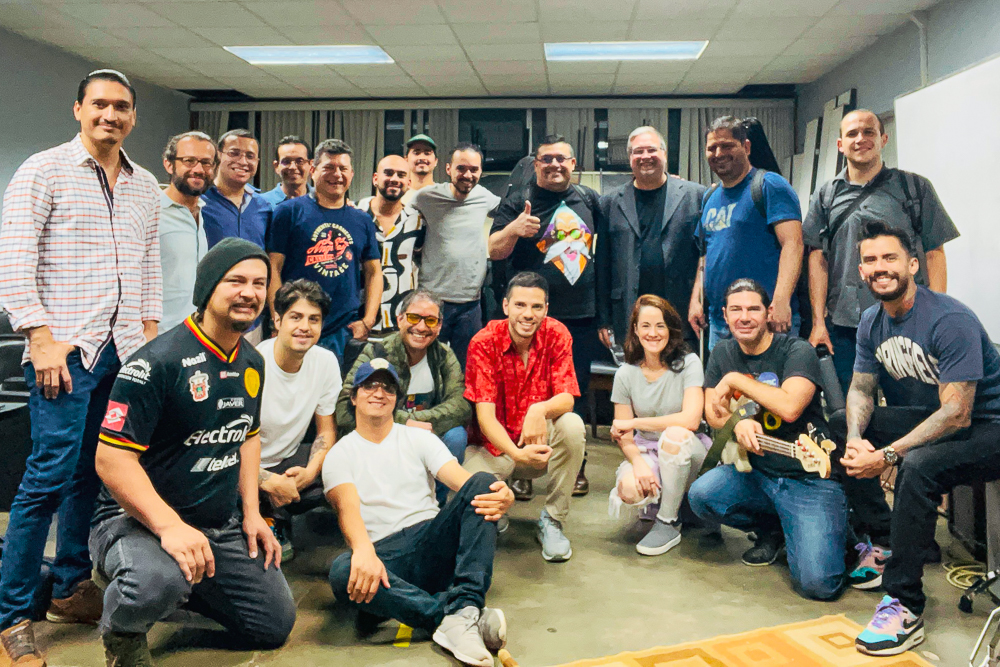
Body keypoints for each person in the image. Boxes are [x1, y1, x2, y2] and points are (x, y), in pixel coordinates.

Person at [0, 69, 162, 666]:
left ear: (133, 117)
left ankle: (69, 585)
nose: (109, 115)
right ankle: (11, 618)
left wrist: (148, 335)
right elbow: (13, 261)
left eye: (121, 106)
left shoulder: (145, 184)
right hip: (64, 354)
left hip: (122, 352)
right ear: (77, 110)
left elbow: (147, 268)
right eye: (99, 104)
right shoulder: (42, 171)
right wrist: (39, 337)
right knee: (45, 479)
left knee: (93, 475)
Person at [90, 238, 296, 664]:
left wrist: (253, 513)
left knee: (274, 625)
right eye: (235, 280)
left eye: (259, 283)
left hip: (217, 524)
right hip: (138, 520)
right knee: (152, 584)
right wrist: (169, 528)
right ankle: (123, 625)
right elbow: (111, 460)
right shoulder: (155, 363)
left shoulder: (252, 362)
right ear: (207, 290)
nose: (250, 292)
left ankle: (184, 580)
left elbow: (248, 436)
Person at [839, 221, 1000, 656]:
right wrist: (856, 437)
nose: (879, 268)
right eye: (870, 261)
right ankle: (885, 542)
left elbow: (958, 413)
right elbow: (861, 389)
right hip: (938, 418)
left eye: (889, 258)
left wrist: (889, 453)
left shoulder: (949, 319)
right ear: (861, 271)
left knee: (918, 464)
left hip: (990, 426)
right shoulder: (872, 321)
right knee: (840, 424)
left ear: (913, 265)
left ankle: (904, 604)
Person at [325, 359, 513, 667]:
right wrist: (363, 550)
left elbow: (461, 481)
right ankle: (457, 617)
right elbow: (348, 510)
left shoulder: (418, 438)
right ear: (354, 396)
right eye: (369, 385)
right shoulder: (340, 454)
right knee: (342, 571)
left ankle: (464, 607)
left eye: (388, 387)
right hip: (384, 558)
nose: (379, 392)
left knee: (485, 482)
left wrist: (499, 493)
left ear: (397, 399)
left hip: (430, 540)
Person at [687, 278, 847, 601]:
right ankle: (773, 529)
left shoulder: (797, 351)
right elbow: (713, 413)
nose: (744, 317)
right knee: (702, 496)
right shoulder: (721, 352)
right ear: (725, 314)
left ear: (769, 312)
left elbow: (789, 407)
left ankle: (839, 526)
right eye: (736, 310)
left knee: (819, 585)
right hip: (757, 474)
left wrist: (736, 380)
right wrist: (737, 425)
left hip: (808, 477)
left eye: (753, 309)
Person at [804, 109, 959, 394]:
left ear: (883, 139)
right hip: (844, 325)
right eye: (852, 133)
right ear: (840, 144)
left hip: (908, 321)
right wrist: (818, 322)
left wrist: (936, 314)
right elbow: (818, 259)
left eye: (869, 132)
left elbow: (935, 252)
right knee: (851, 411)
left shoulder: (913, 188)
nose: (860, 139)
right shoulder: (825, 196)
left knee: (913, 411)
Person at [489, 135, 607, 496]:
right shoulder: (517, 200)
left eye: (562, 159)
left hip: (579, 314)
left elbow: (611, 246)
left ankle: (577, 465)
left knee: (576, 391)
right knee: (522, 392)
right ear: (536, 163)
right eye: (547, 159)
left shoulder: (588, 199)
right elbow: (493, 250)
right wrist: (513, 229)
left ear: (573, 163)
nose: (555, 165)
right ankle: (524, 466)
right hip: (528, 317)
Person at [463, 272, 586, 562]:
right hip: (495, 448)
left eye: (536, 307)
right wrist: (517, 455)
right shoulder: (484, 342)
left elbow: (567, 397)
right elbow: (485, 418)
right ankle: (498, 511)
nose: (528, 314)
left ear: (546, 308)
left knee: (572, 425)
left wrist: (539, 409)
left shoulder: (557, 334)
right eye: (520, 305)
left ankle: (553, 520)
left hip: (538, 444)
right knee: (468, 493)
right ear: (505, 306)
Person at [337, 289, 471, 506]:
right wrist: (405, 423)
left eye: (430, 320)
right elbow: (344, 409)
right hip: (381, 435)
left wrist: (419, 424)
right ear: (399, 319)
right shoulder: (376, 352)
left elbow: (460, 406)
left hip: (426, 436)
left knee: (456, 437)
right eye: (413, 318)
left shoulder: (444, 356)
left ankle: (437, 504)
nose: (421, 327)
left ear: (439, 326)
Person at [689, 116, 804, 350]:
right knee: (727, 387)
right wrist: (696, 298)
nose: (719, 153)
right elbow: (705, 254)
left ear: (747, 147)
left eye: (727, 145)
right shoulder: (709, 198)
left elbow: (793, 244)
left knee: (770, 386)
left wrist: (780, 302)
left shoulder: (770, 186)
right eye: (712, 148)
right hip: (721, 323)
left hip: (766, 321)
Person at [267, 139, 382, 363]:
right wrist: (277, 317)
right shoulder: (288, 212)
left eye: (343, 168)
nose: (336, 174)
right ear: (313, 171)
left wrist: (367, 320)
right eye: (328, 167)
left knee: (340, 396)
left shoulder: (362, 219)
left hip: (344, 330)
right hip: (298, 325)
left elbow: (374, 272)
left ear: (352, 173)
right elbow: (273, 267)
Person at [609, 295, 705, 556]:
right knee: (629, 488)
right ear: (635, 330)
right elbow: (623, 434)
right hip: (647, 449)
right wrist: (639, 464)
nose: (653, 333)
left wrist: (635, 422)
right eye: (646, 326)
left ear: (671, 330)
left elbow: (691, 420)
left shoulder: (689, 363)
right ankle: (675, 503)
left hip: (687, 448)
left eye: (660, 326)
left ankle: (668, 521)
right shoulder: (625, 374)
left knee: (673, 435)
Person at [257, 279, 341, 562]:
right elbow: (225, 447)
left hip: (288, 461)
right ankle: (266, 515)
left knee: (344, 462)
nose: (305, 326)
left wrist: (310, 472)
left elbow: (326, 431)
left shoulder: (326, 362)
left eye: (313, 319)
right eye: (296, 317)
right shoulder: (252, 363)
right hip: (242, 467)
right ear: (278, 320)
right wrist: (267, 481)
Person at [600, 127, 707, 349]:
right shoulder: (609, 203)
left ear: (665, 154)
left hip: (682, 313)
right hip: (630, 316)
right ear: (630, 157)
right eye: (638, 151)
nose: (645, 156)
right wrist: (604, 318)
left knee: (682, 379)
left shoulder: (696, 196)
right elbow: (603, 264)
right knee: (636, 379)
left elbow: (705, 254)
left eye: (651, 150)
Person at [410, 143, 501, 368]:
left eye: (474, 169)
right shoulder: (426, 196)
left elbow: (509, 214)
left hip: (470, 304)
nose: (467, 175)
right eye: (461, 169)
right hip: (432, 302)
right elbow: (394, 211)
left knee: (466, 370)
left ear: (480, 172)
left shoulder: (485, 197)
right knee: (426, 368)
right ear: (449, 169)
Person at [357, 155, 424, 337]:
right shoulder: (355, 214)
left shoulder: (418, 221)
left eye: (401, 175)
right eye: (388, 173)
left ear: (408, 183)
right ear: (375, 178)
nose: (394, 179)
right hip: (358, 323)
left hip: (402, 324)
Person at [159, 130, 216, 332]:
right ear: (169, 164)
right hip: (157, 337)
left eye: (206, 162)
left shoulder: (203, 212)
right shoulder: (152, 212)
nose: (199, 169)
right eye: (189, 161)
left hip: (194, 335)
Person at [200, 129, 271, 250]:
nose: (243, 161)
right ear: (218, 156)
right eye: (234, 153)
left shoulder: (264, 207)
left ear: (257, 162)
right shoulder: (199, 201)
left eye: (250, 156)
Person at [259, 135, 313, 208]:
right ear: (276, 166)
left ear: (311, 165)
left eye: (300, 161)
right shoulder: (261, 204)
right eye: (286, 161)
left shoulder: (323, 201)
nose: (292, 167)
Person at [400, 133, 437, 206]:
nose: (422, 158)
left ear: (435, 161)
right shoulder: (398, 197)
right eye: (416, 153)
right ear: (406, 160)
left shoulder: (442, 194)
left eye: (427, 153)